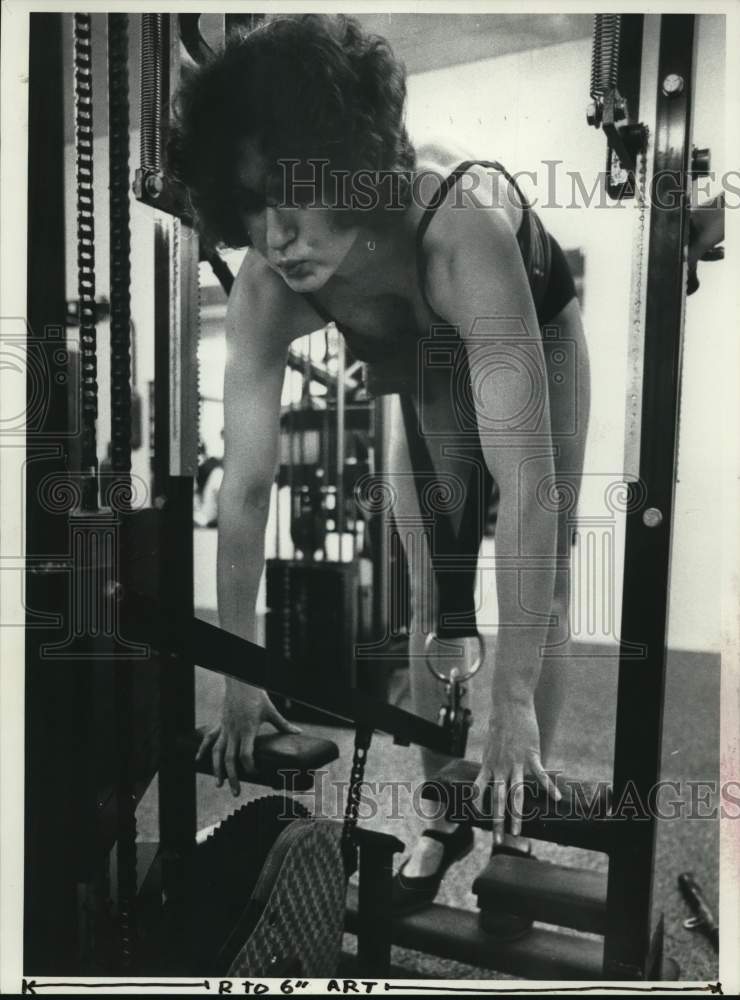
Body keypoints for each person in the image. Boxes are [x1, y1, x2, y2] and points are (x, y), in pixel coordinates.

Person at [170, 13, 591, 913]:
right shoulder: (269, 283)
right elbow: (243, 489)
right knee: (432, 592)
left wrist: (509, 697)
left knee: (541, 576)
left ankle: (517, 808)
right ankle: (446, 812)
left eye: (294, 195)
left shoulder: (457, 232)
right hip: (419, 359)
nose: (276, 234)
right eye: (252, 204)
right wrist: (240, 677)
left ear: (348, 173)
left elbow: (527, 488)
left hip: (533, 330)